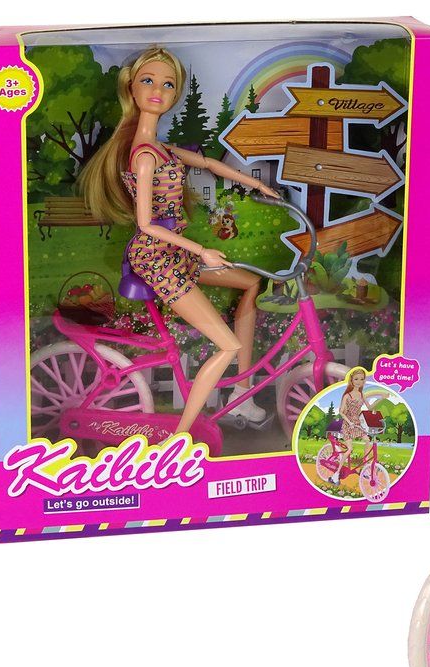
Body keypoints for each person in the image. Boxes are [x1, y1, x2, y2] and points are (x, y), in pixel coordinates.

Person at [79, 46, 280, 434]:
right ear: (131, 88)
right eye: (148, 81)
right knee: (228, 345)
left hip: (173, 251)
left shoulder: (159, 148)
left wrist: (256, 183)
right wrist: (202, 250)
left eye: (168, 84)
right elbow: (147, 225)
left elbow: (206, 163)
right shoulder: (144, 157)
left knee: (250, 282)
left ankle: (242, 392)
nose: (158, 91)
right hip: (156, 258)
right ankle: (180, 437)